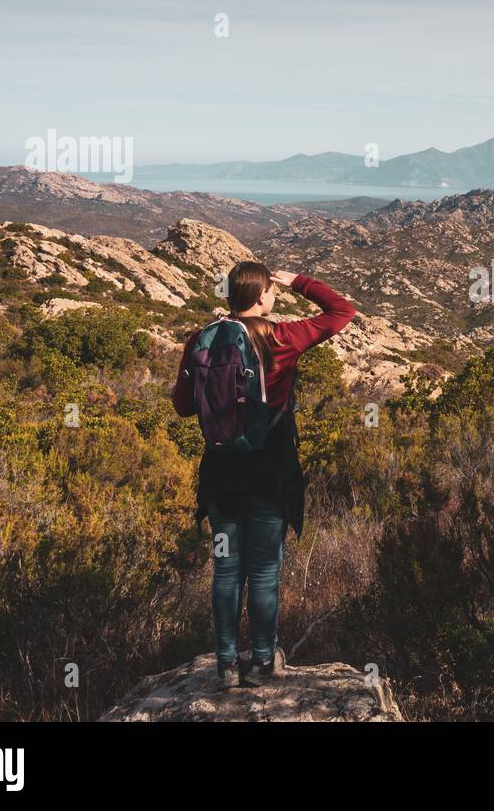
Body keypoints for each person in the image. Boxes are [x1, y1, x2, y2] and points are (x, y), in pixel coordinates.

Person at [171, 262, 356, 687]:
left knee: (225, 570)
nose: (274, 297)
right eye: (271, 292)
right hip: (271, 472)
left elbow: (182, 406)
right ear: (261, 297)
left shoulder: (201, 340)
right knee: (265, 570)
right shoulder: (281, 337)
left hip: (220, 475)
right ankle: (261, 661)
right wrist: (300, 281)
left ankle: (225, 664)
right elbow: (342, 311)